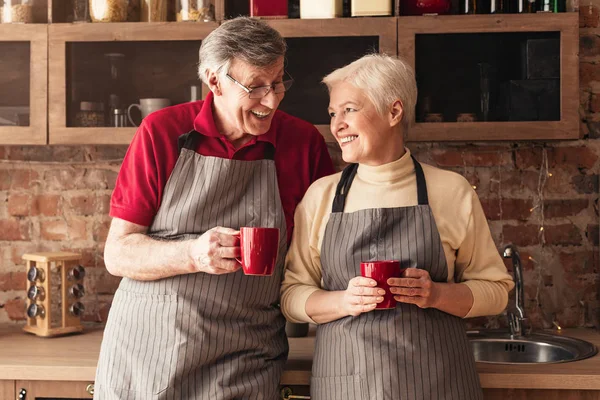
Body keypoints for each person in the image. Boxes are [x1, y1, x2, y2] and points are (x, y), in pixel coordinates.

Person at [94, 17, 335, 400]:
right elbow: (118, 253)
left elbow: (323, 254)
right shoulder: (161, 132)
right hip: (150, 352)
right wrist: (191, 253)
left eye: (277, 83)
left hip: (244, 360)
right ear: (214, 80)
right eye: (255, 86)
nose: (270, 100)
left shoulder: (303, 143)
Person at [281, 54, 514, 400]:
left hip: (437, 384)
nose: (337, 125)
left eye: (349, 110)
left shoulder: (450, 191)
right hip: (347, 386)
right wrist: (345, 301)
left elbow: (496, 291)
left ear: (394, 112)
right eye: (333, 113)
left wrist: (436, 294)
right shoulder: (322, 197)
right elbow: (291, 295)